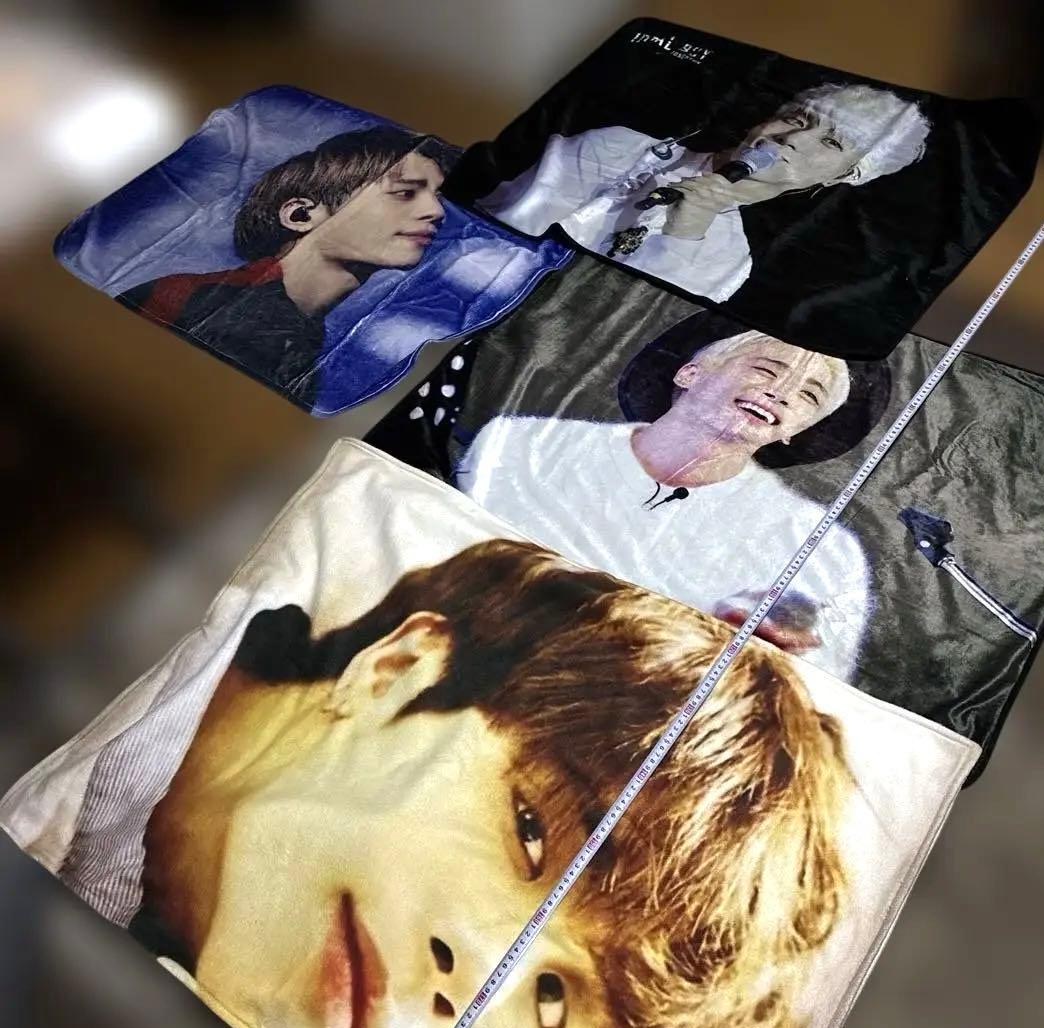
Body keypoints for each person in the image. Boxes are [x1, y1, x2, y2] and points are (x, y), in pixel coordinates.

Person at [124, 539, 851, 1028]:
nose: (484, 972)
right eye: (529, 833)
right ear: (397, 673)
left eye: (548, 1002)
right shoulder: (152, 622)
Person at [455, 329, 877, 679]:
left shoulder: (820, 546)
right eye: (766, 369)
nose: (781, 393)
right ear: (690, 373)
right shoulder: (521, 443)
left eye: (809, 396)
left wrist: (771, 653)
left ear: (796, 430)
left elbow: (817, 682)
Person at [477, 82, 930, 303]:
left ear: (844, 176)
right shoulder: (618, 148)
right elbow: (504, 228)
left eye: (831, 143)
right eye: (796, 118)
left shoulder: (727, 261)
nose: (793, 139)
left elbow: (611, 320)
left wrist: (684, 235)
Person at [118, 127, 456, 404]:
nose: (436, 212)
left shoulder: (305, 343)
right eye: (404, 193)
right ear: (300, 215)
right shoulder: (192, 299)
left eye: (437, 197)